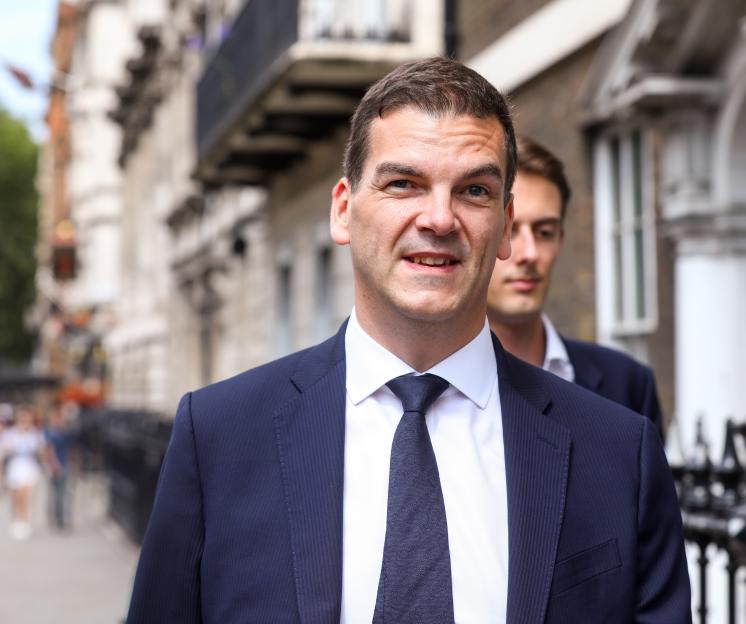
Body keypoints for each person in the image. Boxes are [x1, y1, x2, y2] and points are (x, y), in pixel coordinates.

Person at [127, 57, 690, 623]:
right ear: (344, 210)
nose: (440, 219)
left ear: (502, 223)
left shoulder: (618, 453)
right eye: (404, 184)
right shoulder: (219, 438)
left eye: (473, 190)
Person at [487, 136, 664, 434]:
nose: (530, 254)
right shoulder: (431, 384)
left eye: (544, 232)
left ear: (561, 240)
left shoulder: (627, 383)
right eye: (510, 230)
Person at [0, 405, 46, 540]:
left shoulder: (35, 433)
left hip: (29, 466)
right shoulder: (10, 433)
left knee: (24, 495)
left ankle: (25, 521)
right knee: (16, 497)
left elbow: (41, 451)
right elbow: (4, 450)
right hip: (14, 467)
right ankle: (17, 519)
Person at [43, 403, 79, 531]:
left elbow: (74, 448)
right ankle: (56, 518)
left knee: (67, 494)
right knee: (56, 495)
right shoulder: (49, 432)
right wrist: (53, 465)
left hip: (67, 465)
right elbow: (48, 449)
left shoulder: (68, 431)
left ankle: (66, 519)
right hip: (56, 466)